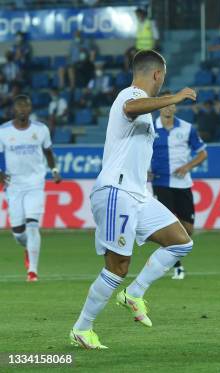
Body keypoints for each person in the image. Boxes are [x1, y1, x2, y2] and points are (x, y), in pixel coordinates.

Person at [70, 50, 197, 349]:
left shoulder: (145, 108)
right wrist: (173, 98)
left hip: (138, 194)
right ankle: (82, 328)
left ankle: (134, 293)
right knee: (117, 267)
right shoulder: (130, 95)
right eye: (163, 77)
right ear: (157, 75)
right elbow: (131, 107)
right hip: (117, 191)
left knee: (181, 241)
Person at [0, 95, 62, 282]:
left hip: (35, 183)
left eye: (25, 106)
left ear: (30, 109)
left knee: (33, 226)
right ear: (14, 109)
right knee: (19, 233)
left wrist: (54, 170)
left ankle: (32, 272)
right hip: (14, 185)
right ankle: (29, 248)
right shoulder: (3, 131)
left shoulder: (41, 130)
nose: (22, 110)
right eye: (19, 106)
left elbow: (48, 152)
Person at [151, 90, 207, 280]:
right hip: (161, 183)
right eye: (164, 103)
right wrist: (145, 170)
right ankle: (176, 266)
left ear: (175, 106)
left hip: (183, 183)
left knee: (188, 228)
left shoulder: (186, 128)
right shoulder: (150, 128)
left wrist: (187, 166)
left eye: (171, 103)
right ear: (159, 106)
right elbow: (138, 152)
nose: (168, 107)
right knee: (167, 228)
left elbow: (202, 153)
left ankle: (168, 258)